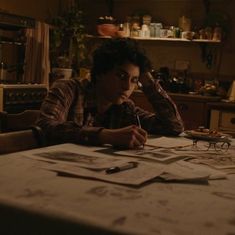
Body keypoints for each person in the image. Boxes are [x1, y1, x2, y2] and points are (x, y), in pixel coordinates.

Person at [36, 38, 184, 149]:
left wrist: (148, 82)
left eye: (134, 80)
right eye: (121, 76)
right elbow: (45, 128)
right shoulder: (67, 89)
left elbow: (173, 127)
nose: (127, 87)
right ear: (101, 72)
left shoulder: (125, 108)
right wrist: (105, 135)